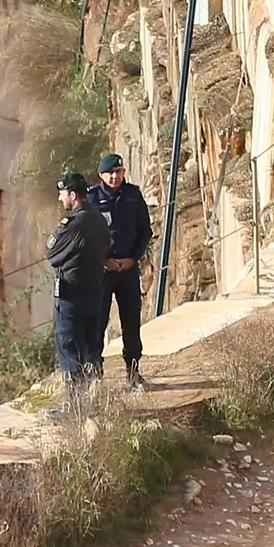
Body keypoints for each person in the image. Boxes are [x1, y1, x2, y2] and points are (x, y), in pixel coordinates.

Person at [45, 172, 111, 414]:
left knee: (70, 349)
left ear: (73, 195)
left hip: (72, 297)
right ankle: (93, 402)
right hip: (94, 291)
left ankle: (73, 408)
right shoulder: (99, 220)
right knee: (91, 348)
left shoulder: (75, 225)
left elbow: (52, 255)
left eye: (63, 194)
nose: (61, 199)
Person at [88, 153, 154, 391]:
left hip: (127, 270)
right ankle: (95, 377)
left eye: (119, 171)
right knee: (97, 324)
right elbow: (85, 236)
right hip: (101, 273)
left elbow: (145, 231)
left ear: (124, 172)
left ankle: (134, 374)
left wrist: (133, 258)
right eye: (110, 173)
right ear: (101, 175)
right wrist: (102, 260)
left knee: (131, 323)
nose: (115, 177)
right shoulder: (91, 199)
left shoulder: (133, 196)